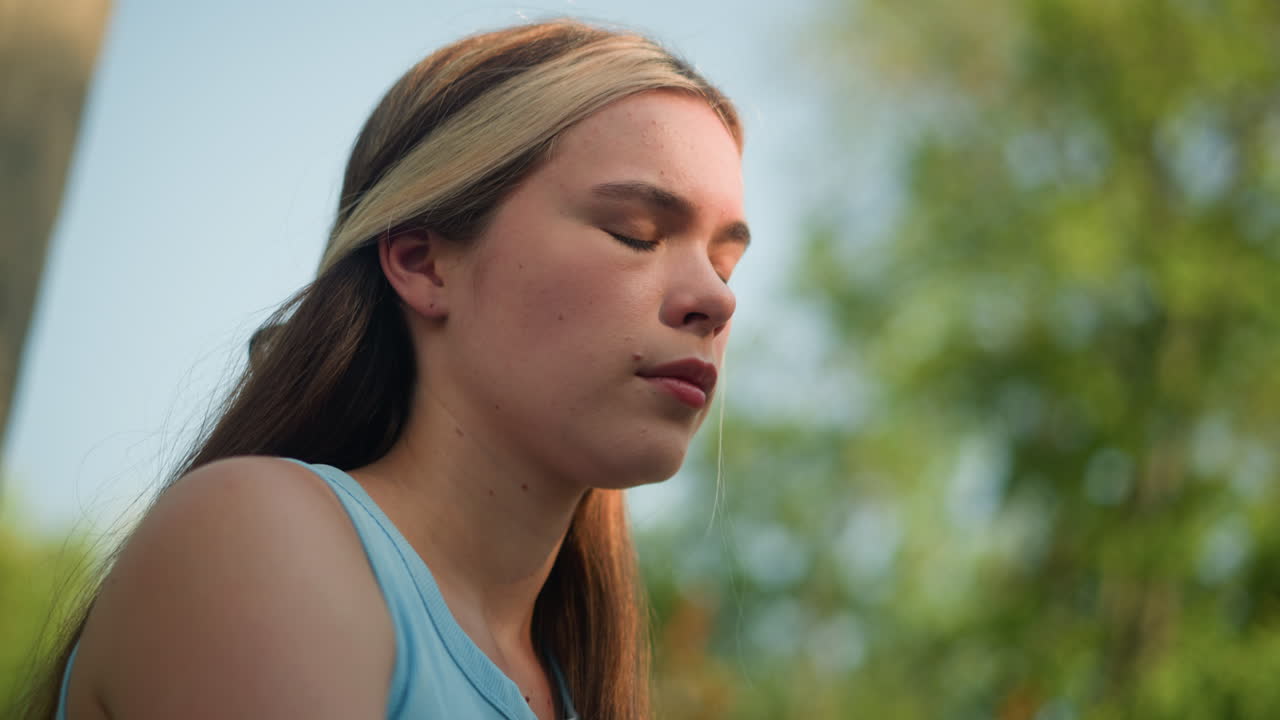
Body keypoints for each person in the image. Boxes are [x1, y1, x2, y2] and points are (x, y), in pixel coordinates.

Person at [30, 17, 748, 720]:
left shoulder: (573, 687)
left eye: (724, 264)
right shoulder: (255, 539)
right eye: (635, 233)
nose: (717, 300)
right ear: (422, 263)